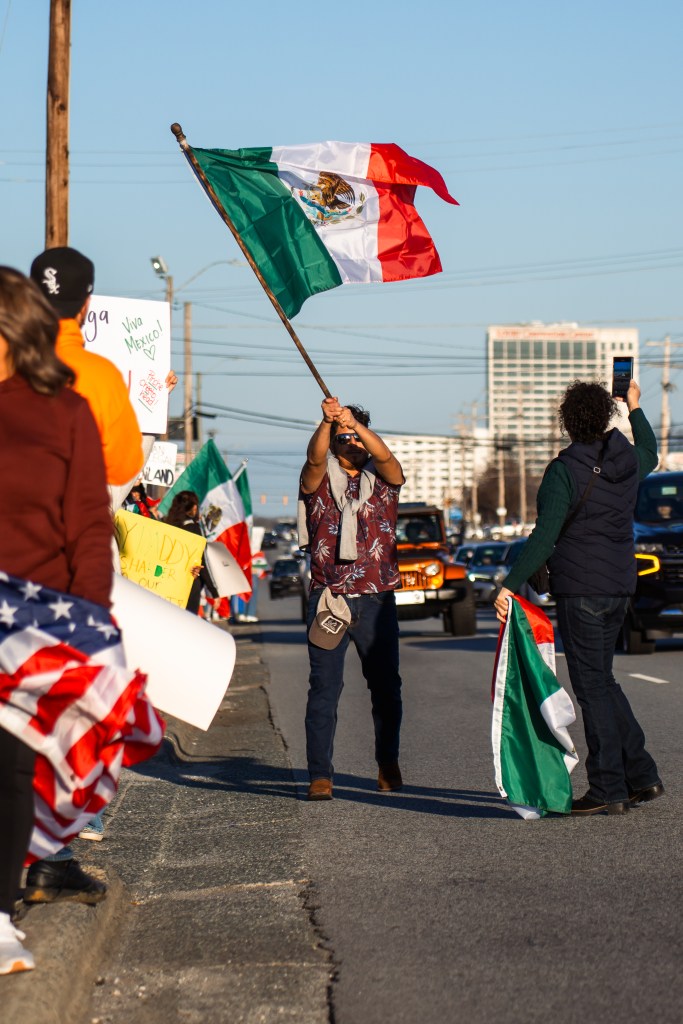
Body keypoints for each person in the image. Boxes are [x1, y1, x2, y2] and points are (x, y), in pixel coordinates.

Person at [0, 268, 113, 973]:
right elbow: (92, 526)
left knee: (15, 764)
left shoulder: (65, 408)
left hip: (35, 617)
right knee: (13, 765)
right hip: (32, 616)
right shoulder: (66, 406)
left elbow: (89, 527)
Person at [494, 379, 664, 816]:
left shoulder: (563, 470)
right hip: (620, 586)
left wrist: (509, 585)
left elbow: (544, 535)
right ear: (606, 417)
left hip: (581, 589)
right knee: (603, 681)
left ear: (567, 423)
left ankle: (608, 787)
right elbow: (651, 450)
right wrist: (635, 406)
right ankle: (642, 775)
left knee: (592, 687)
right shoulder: (627, 461)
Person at [298, 397, 405, 801]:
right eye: (343, 437)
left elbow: (388, 459)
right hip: (330, 599)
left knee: (386, 688)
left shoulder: (384, 480)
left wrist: (354, 424)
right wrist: (328, 423)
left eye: (358, 436)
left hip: (376, 600)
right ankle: (319, 775)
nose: (352, 443)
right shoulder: (318, 479)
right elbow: (314, 458)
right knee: (323, 689)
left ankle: (388, 762)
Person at [29, 246, 144, 494]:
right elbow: (124, 466)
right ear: (86, 304)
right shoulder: (102, 377)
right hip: (65, 513)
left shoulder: (8, 363)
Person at [164, 491, 218, 614]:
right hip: (189, 584)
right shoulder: (194, 529)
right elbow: (202, 561)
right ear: (194, 508)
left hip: (168, 581)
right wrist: (213, 591)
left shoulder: (167, 526)